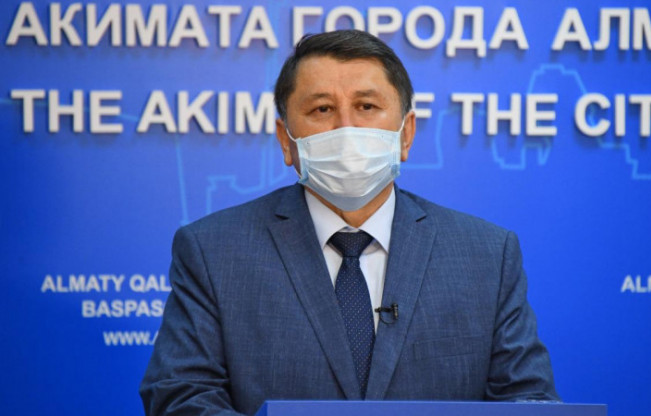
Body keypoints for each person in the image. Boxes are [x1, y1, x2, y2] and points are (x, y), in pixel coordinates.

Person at [140, 29, 559, 416]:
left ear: (406, 134)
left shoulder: (486, 255)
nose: (346, 128)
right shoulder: (214, 251)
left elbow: (528, 400)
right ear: (286, 141)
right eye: (322, 109)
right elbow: (181, 396)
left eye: (366, 107)